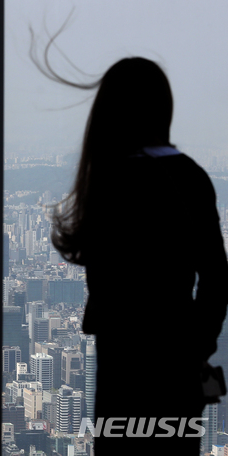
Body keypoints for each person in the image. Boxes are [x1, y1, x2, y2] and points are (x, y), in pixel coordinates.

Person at [46, 56, 228, 454]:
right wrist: (197, 345)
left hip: (122, 370)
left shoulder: (110, 178)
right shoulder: (190, 177)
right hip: (176, 369)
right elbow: (217, 278)